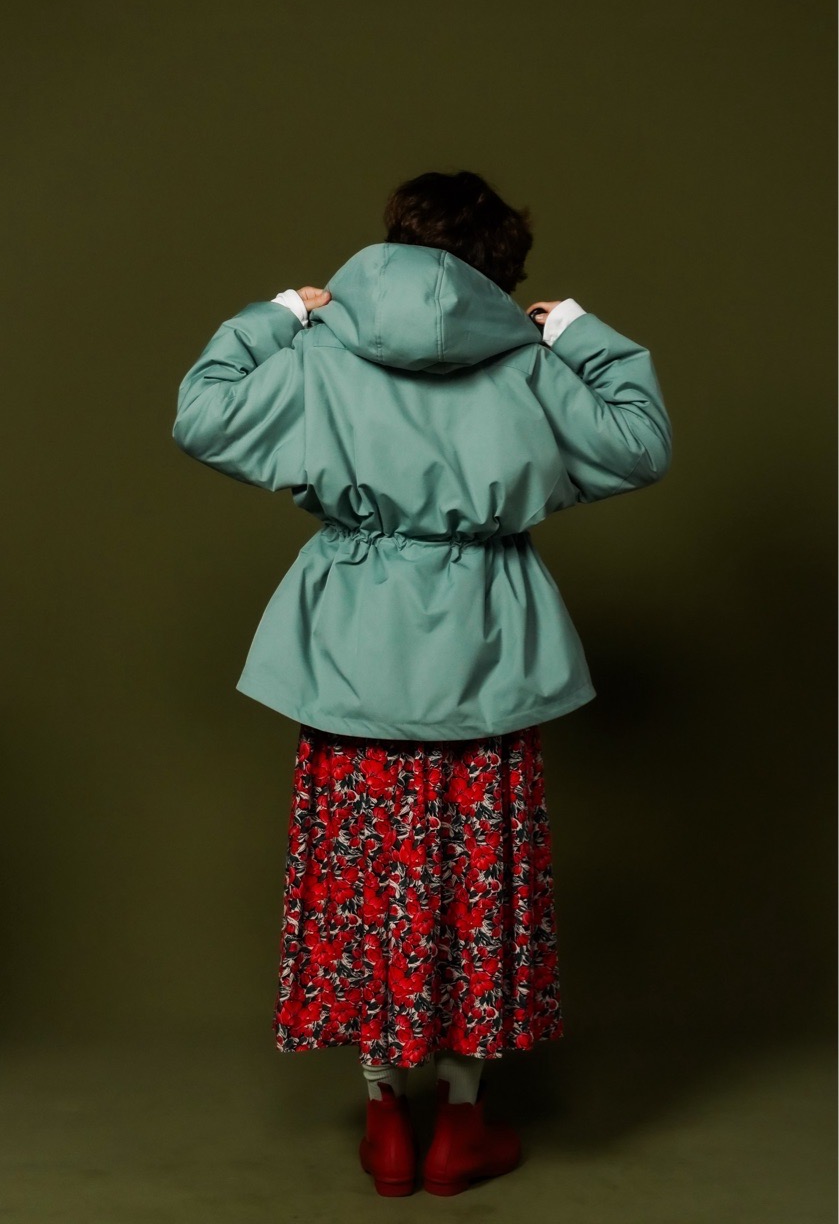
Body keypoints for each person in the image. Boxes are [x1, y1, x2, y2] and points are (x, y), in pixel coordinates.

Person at [171, 169, 673, 1196]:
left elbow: (201, 413)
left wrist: (280, 312)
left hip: (352, 655)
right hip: (488, 654)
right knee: (475, 880)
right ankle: (460, 1126)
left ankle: (383, 1123)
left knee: (370, 876)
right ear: (501, 271)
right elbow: (641, 441)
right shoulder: (529, 361)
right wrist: (577, 331)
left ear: (394, 243)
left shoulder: (321, 351)